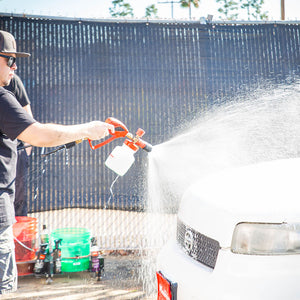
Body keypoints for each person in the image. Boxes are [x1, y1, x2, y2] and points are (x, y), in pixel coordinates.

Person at [0, 30, 114, 294]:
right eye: (9, 60)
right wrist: (87, 129)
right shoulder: (2, 97)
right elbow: (39, 134)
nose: (15, 66)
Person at [4, 74, 33, 216]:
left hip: (17, 150)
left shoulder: (13, 81)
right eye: (10, 60)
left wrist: (26, 152)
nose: (13, 66)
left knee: (18, 196)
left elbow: (29, 118)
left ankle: (19, 236)